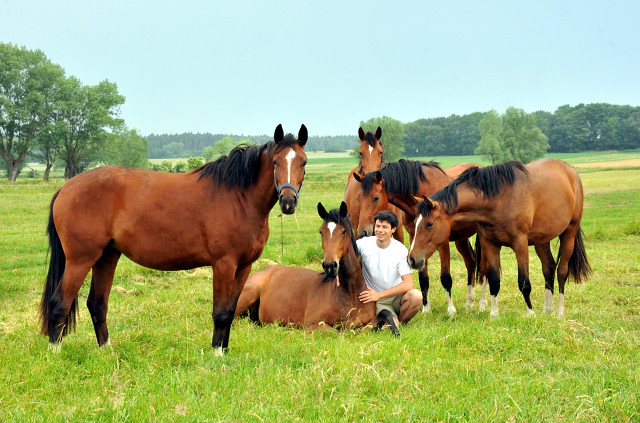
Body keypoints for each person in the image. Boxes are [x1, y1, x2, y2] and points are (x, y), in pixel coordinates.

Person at [356, 210, 422, 336]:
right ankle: (392, 321)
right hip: (373, 297)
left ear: (393, 229)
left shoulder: (400, 250)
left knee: (416, 296)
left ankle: (399, 322)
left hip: (394, 296)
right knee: (391, 323)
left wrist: (380, 295)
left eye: (385, 227)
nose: (380, 230)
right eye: (378, 226)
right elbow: (345, 252)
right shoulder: (364, 244)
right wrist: (338, 276)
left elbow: (408, 284)